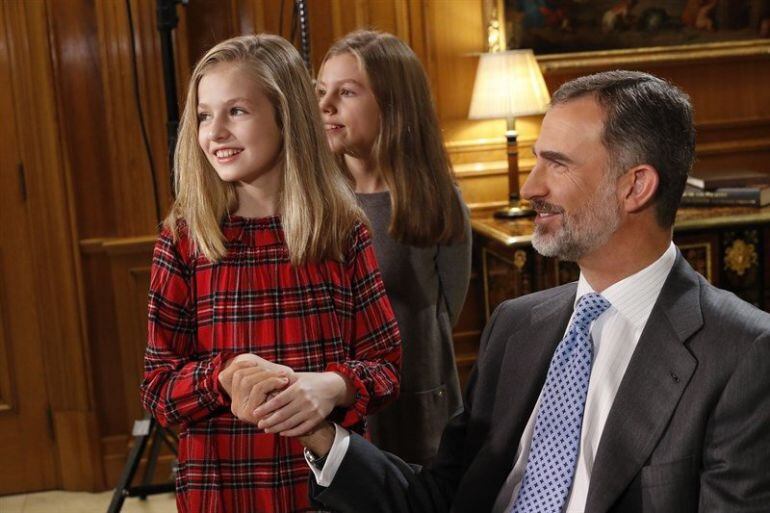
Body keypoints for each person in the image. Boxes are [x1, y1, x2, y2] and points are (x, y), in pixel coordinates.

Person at [249, 70, 770, 512]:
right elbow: (438, 498)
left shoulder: (741, 352)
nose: (530, 187)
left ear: (635, 186)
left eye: (558, 164)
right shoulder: (516, 325)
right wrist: (317, 431)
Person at [139, 34, 401, 513]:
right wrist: (222, 377)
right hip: (222, 490)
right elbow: (158, 391)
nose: (214, 131)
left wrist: (332, 386)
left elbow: (385, 368)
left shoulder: (341, 232)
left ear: (287, 117)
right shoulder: (184, 239)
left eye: (236, 111)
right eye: (203, 115)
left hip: (329, 488)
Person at [312, 29, 472, 464]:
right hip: (335, 404)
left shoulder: (435, 199)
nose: (325, 105)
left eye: (346, 92)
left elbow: (447, 308)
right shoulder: (315, 201)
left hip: (417, 401)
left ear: (393, 103)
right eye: (321, 90)